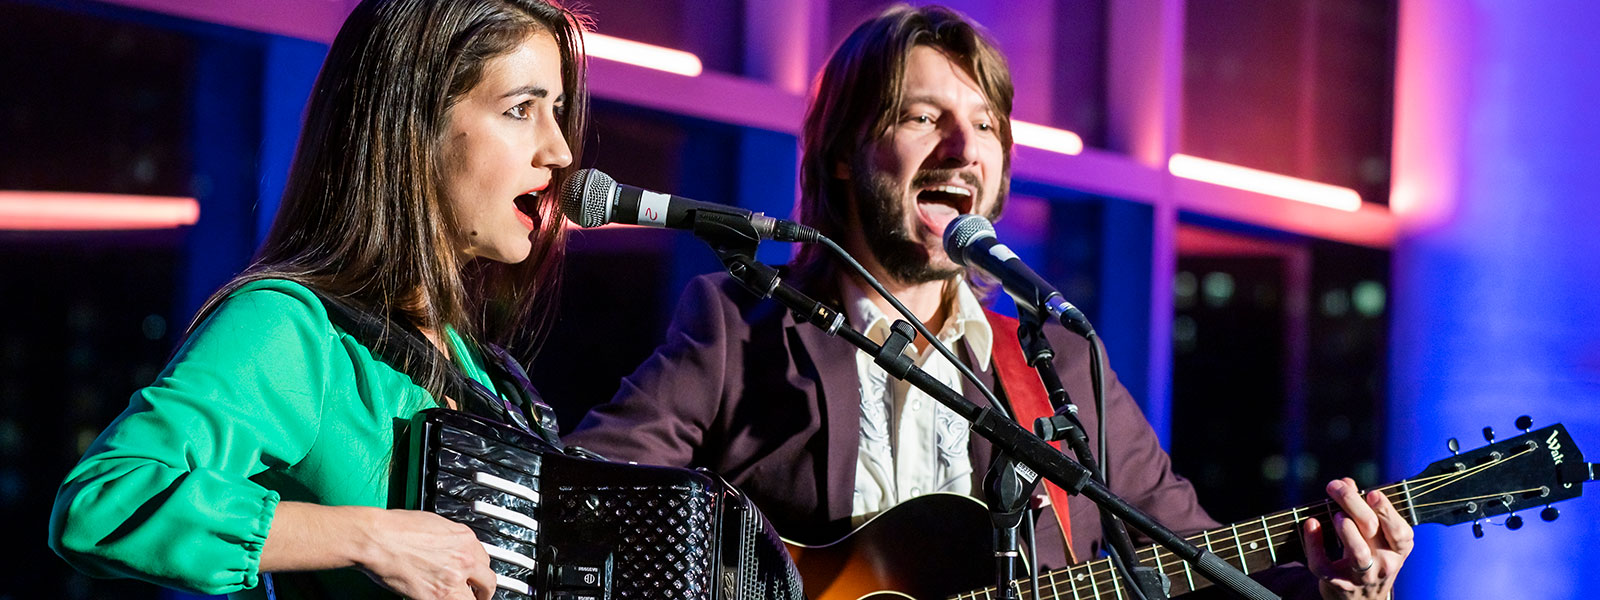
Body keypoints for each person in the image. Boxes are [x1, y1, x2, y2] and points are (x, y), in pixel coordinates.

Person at [565, 5, 1411, 600]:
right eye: (923, 117)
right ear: (843, 155)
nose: (964, 148)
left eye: (986, 126)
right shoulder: (740, 328)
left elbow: (1197, 564)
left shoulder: (1061, 361)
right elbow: (579, 499)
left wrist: (1339, 588)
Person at [48, 1, 587, 598]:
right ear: (412, 128)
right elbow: (102, 504)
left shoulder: (479, 370)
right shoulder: (293, 328)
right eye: (520, 111)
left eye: (556, 112)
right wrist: (369, 538)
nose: (559, 151)